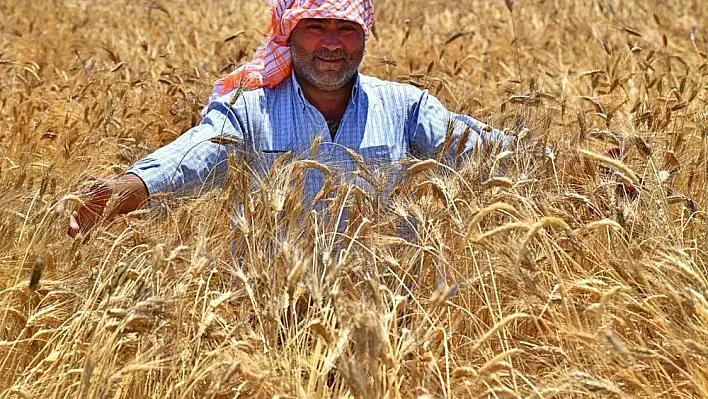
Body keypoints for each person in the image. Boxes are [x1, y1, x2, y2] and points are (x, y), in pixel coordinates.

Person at [57, 0, 508, 238]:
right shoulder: (249, 108)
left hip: (385, 311)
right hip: (275, 310)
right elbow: (199, 153)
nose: (332, 43)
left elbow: (486, 151)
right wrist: (135, 187)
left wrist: (560, 163)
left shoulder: (404, 107)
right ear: (288, 33)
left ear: (363, 37)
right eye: (315, 26)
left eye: (346, 29)